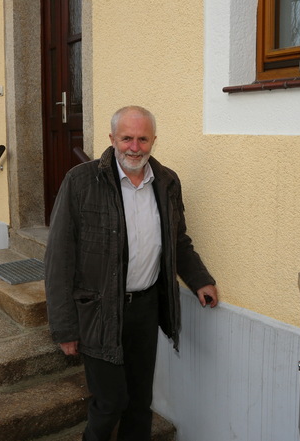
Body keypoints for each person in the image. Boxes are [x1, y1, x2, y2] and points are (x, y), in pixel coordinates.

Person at [44, 105, 218, 441]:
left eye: (142, 139)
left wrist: (200, 280)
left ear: (153, 140)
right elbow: (59, 259)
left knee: (140, 402)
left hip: (145, 307)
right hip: (98, 311)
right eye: (126, 138)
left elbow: (177, 240)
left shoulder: (166, 182)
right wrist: (65, 327)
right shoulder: (80, 182)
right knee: (110, 402)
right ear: (112, 139)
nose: (134, 147)